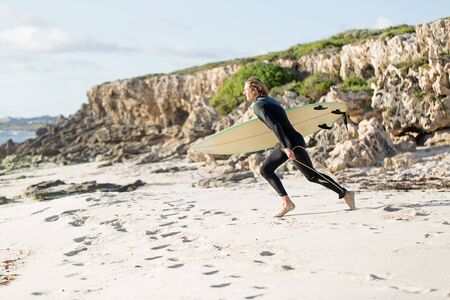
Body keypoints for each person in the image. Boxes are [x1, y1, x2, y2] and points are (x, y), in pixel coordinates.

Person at [243, 77, 356, 218]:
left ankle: (346, 194)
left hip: (291, 143)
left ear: (254, 89)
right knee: (266, 169)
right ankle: (287, 203)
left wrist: (285, 147)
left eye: (246, 89)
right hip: (291, 140)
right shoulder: (271, 101)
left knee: (312, 175)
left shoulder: (258, 105)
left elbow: (275, 126)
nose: (244, 93)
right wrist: (282, 144)